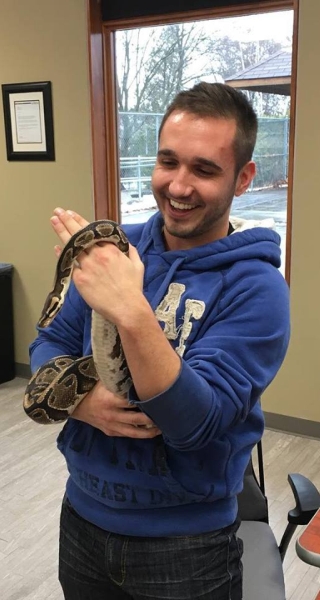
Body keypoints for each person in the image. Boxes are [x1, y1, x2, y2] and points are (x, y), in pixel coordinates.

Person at [29, 82, 290, 600]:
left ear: (243, 179)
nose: (178, 185)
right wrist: (82, 401)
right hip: (80, 516)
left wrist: (131, 309)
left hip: (186, 547)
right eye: (168, 161)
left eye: (204, 169)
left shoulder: (258, 289)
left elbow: (195, 423)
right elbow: (48, 343)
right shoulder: (111, 250)